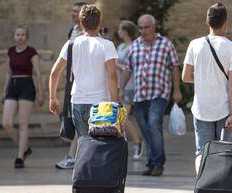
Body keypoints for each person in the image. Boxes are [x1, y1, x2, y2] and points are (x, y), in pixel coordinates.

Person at [181, 3, 232, 174]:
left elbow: (185, 77)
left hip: (201, 108)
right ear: (226, 22)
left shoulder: (195, 44)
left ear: (207, 22)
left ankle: (201, 187)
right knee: (224, 153)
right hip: (224, 110)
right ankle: (220, 190)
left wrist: (202, 79)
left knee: (202, 153)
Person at [122, 14, 182, 177]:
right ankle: (151, 162)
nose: (143, 31)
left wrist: (177, 90)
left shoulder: (165, 44)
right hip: (140, 94)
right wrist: (121, 88)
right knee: (145, 129)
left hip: (159, 93)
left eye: (146, 27)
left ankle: (158, 163)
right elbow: (128, 68)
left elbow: (175, 66)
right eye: (140, 28)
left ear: (154, 27)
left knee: (154, 124)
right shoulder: (135, 46)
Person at [49, 4, 118, 139]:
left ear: (81, 24)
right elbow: (112, 76)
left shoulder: (71, 45)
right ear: (100, 23)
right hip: (101, 103)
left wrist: (53, 97)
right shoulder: (107, 46)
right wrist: (114, 103)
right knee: (100, 146)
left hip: (78, 102)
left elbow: (54, 73)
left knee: (84, 143)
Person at [2, 25, 45, 168]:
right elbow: (8, 72)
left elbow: (37, 73)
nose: (20, 37)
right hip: (13, 85)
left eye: (23, 35)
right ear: (14, 36)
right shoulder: (10, 52)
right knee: (6, 123)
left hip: (27, 85)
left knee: (23, 123)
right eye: (17, 34)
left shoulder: (32, 52)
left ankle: (20, 157)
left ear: (27, 37)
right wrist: (4, 90)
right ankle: (25, 147)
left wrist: (41, 92)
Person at [55, 1, 87, 170]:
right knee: (71, 117)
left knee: (77, 118)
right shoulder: (73, 31)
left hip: (82, 81)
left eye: (76, 12)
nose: (72, 14)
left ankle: (72, 155)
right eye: (72, 11)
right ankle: (74, 155)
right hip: (71, 80)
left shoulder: (88, 33)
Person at [116, 20, 143, 160]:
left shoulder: (133, 47)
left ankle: (137, 142)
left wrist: (116, 64)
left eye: (120, 29)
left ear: (125, 31)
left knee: (123, 118)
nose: (118, 32)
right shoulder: (120, 47)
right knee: (119, 118)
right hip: (120, 86)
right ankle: (127, 143)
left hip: (131, 86)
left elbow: (131, 68)